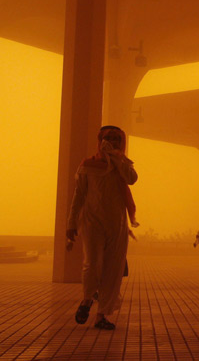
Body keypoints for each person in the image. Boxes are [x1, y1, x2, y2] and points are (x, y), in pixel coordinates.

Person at [67, 125, 138, 330]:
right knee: (92, 264)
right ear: (100, 141)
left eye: (116, 139)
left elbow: (132, 179)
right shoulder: (88, 165)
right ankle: (87, 298)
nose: (112, 142)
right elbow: (79, 196)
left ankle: (101, 315)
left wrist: (116, 159)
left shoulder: (123, 165)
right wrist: (71, 223)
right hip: (92, 222)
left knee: (113, 270)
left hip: (117, 223)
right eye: (108, 138)